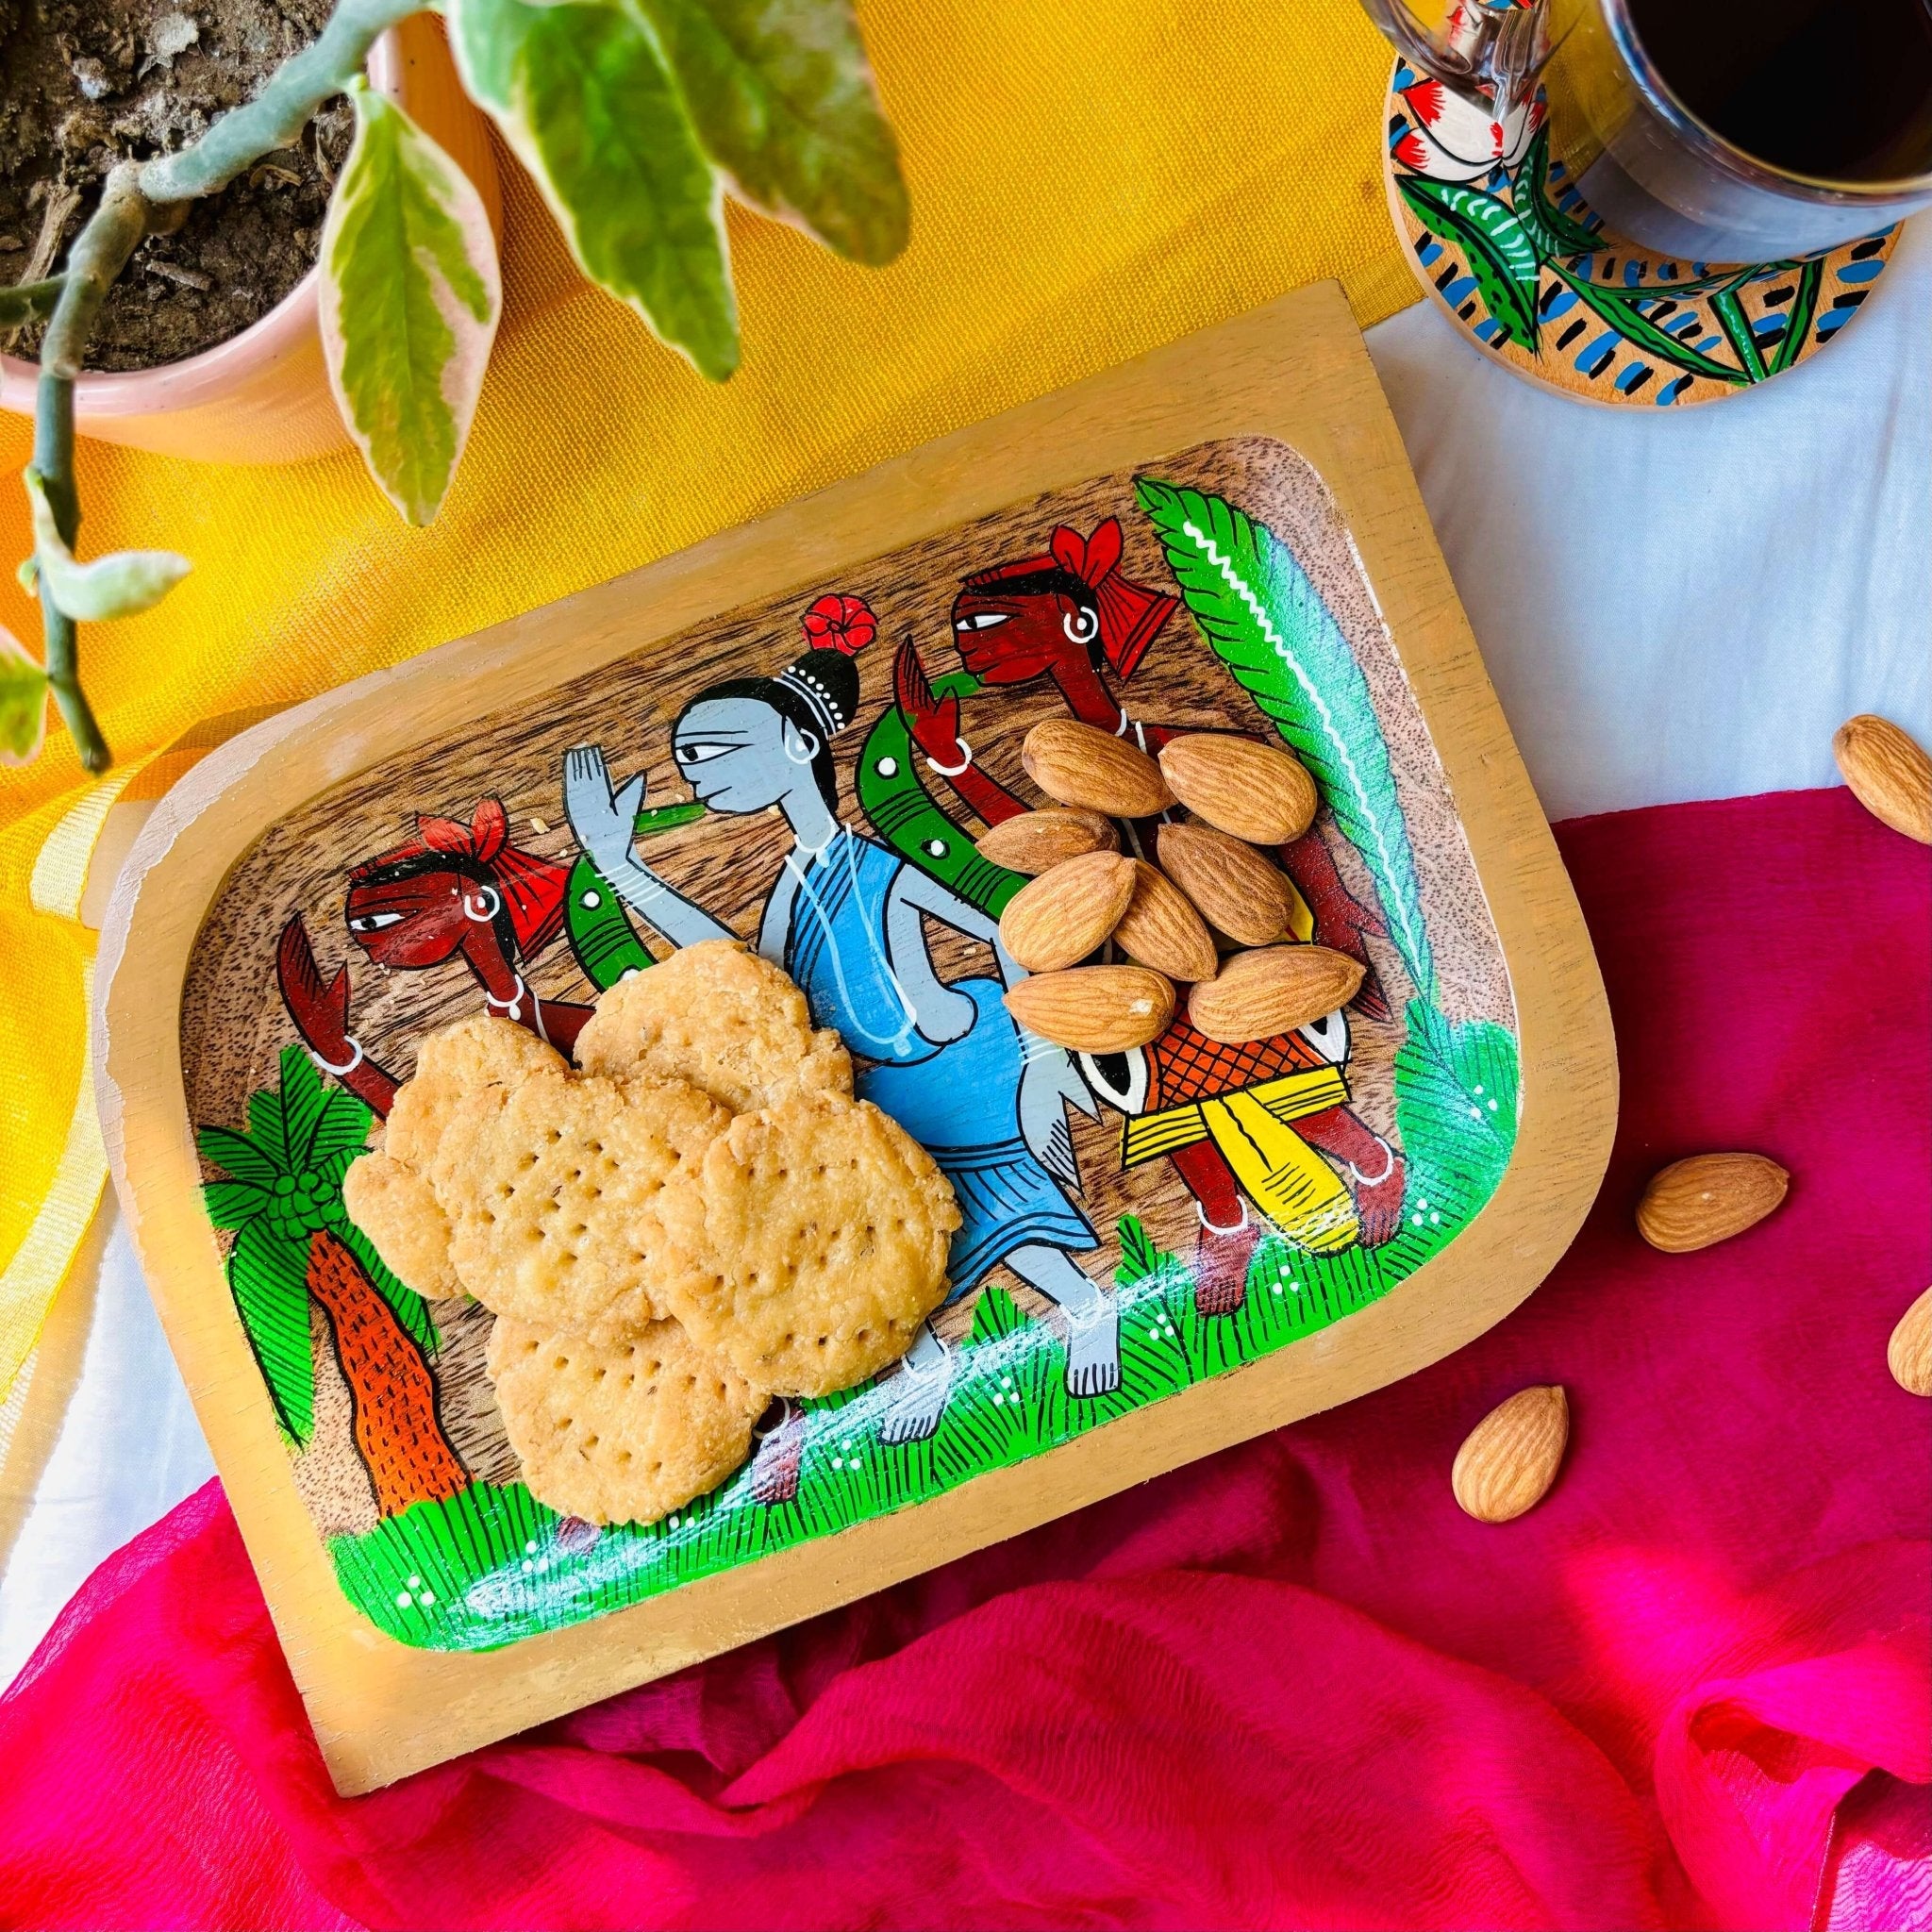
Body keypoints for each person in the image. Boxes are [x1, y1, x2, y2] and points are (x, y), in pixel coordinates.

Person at [562, 600, 1115, 1445]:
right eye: (688, 761)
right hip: (864, 1097)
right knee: (862, 1249)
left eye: (717, 751)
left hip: (947, 1065)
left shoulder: (868, 860)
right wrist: (623, 870)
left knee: (993, 1207)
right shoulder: (788, 882)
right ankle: (925, 1363)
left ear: (795, 744)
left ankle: (1086, 1304)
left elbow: (1002, 929)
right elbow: (737, 970)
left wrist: (1039, 1035)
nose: (699, 773)